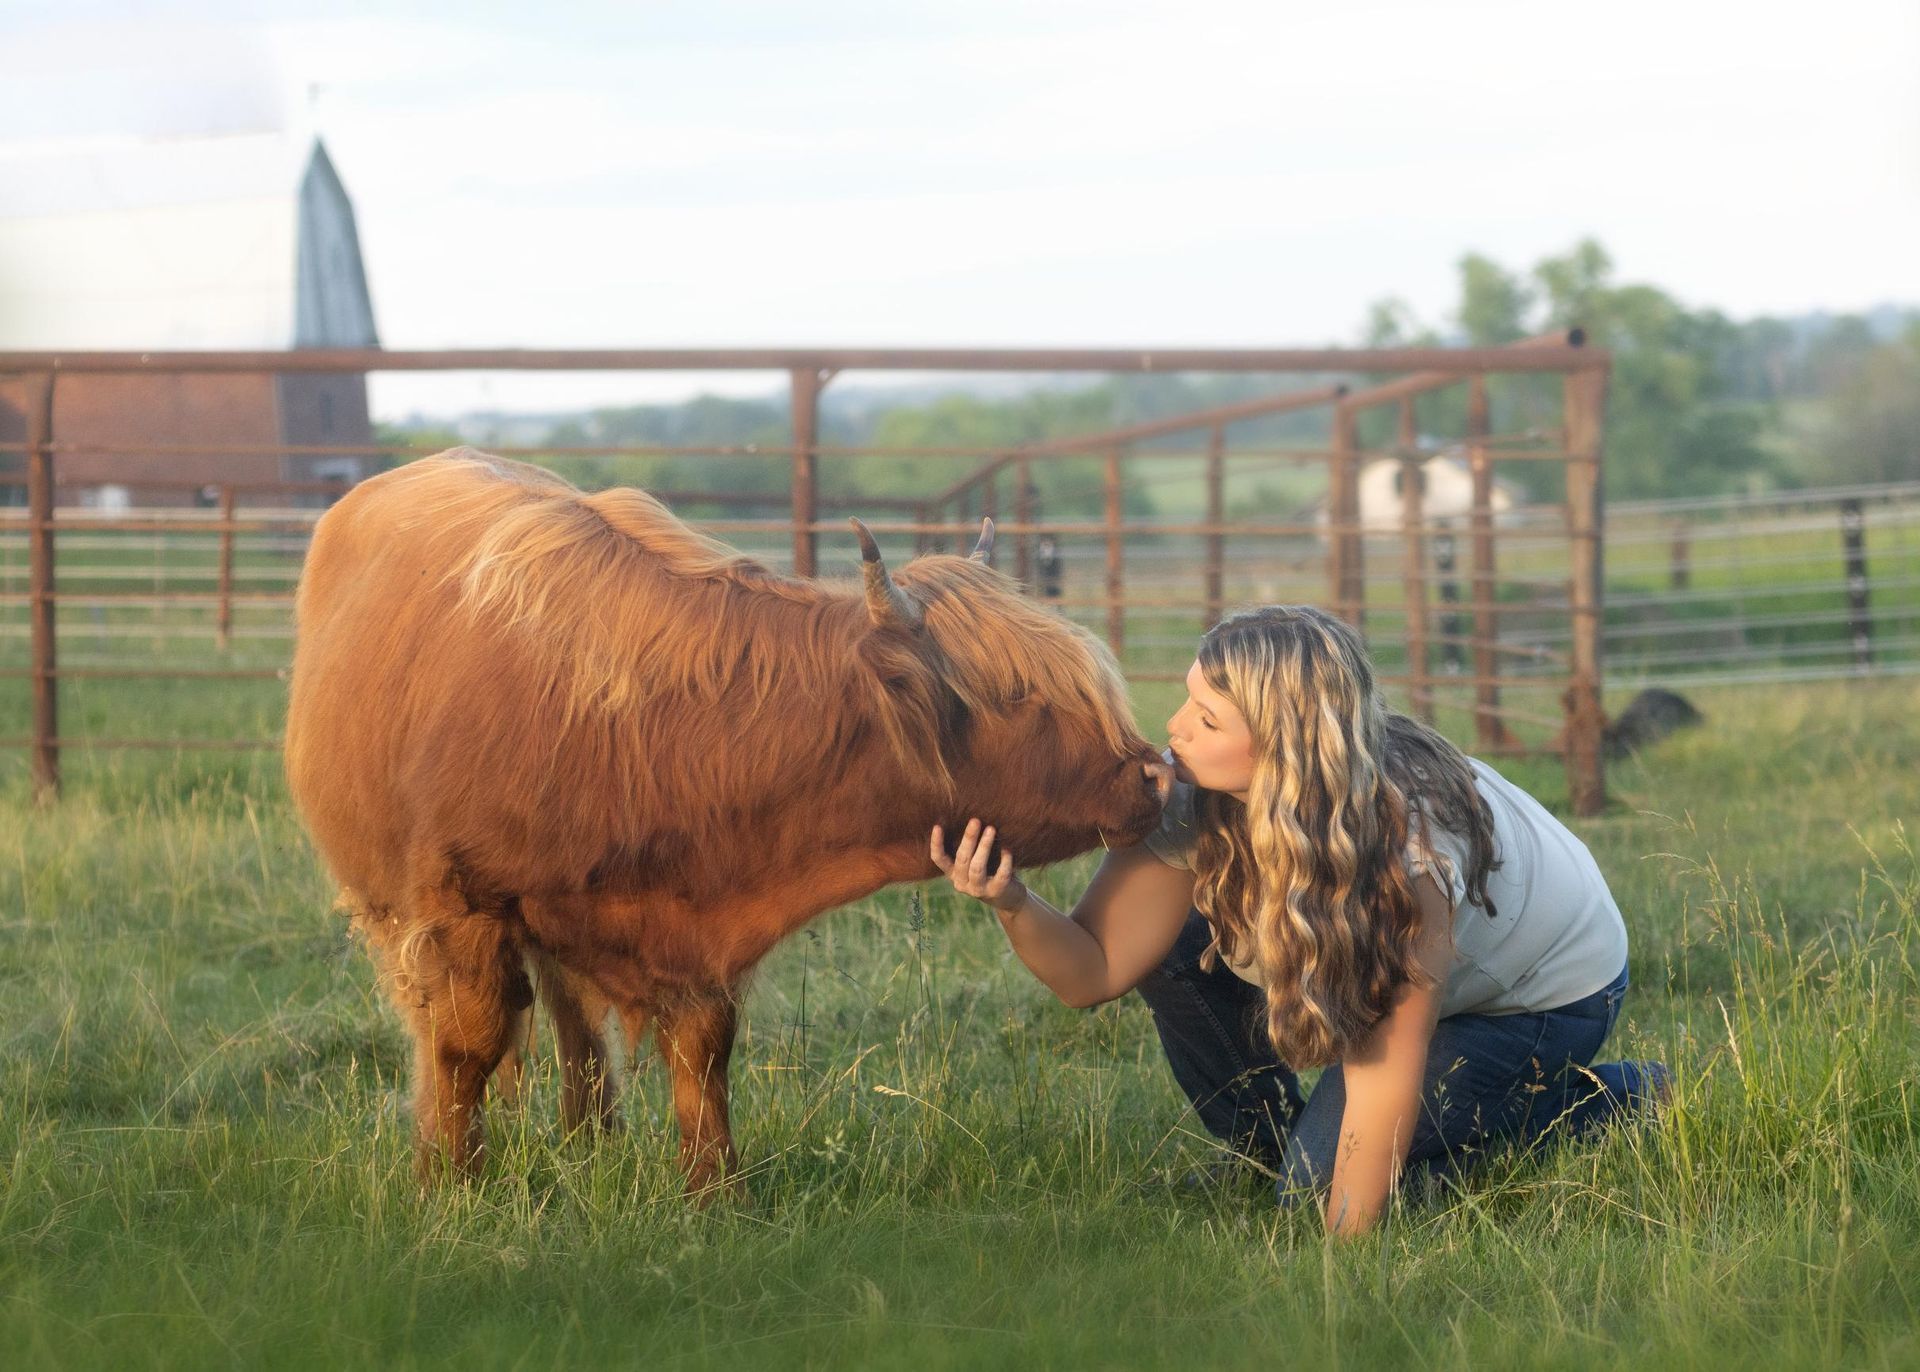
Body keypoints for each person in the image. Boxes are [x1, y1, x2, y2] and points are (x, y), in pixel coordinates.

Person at [931, 604, 1667, 1236]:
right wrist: (1012, 902)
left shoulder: (1402, 860)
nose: (1175, 728)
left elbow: (1385, 1069)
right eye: (1188, 699)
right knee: (1184, 950)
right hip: (1435, 993)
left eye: (1208, 718)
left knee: (1319, 1196)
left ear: (1284, 745)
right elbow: (1090, 971)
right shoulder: (1194, 794)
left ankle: (1620, 1098)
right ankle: (1264, 1148)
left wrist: (1335, 1278)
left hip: (1540, 997)